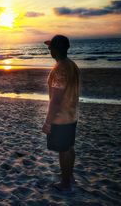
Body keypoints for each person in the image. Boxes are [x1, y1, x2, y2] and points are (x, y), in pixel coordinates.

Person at [42, 35, 80, 191]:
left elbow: (56, 100)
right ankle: (69, 176)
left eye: (51, 47)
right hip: (72, 115)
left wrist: (48, 122)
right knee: (69, 147)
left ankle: (65, 183)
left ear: (56, 50)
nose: (49, 50)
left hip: (61, 117)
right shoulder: (72, 65)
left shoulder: (59, 70)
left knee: (63, 150)